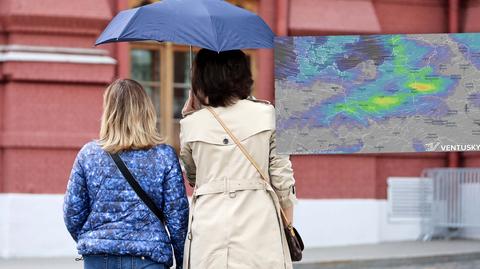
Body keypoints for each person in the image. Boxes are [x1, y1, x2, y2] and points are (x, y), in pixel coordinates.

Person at [180, 49, 297, 269]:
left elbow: (194, 177)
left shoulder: (191, 124)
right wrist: (288, 227)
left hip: (209, 230)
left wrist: (190, 116)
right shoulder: (269, 114)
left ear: (203, 77)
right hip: (259, 226)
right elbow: (283, 181)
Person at [63, 79, 189, 269]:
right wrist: (181, 262)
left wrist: (96, 239)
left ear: (109, 112)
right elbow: (178, 218)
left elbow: (72, 213)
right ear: (146, 110)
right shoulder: (164, 155)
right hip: (148, 258)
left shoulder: (88, 154)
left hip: (98, 258)